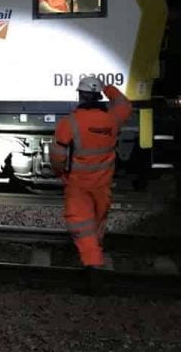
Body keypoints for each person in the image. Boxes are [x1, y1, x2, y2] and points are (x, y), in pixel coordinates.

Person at [49, 77, 132, 273]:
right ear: (98, 95)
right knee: (97, 222)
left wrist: (59, 172)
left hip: (79, 184)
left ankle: (93, 264)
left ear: (80, 95)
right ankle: (95, 253)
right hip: (103, 184)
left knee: (81, 224)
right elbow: (125, 104)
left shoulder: (69, 122)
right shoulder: (112, 119)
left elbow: (58, 156)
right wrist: (107, 87)